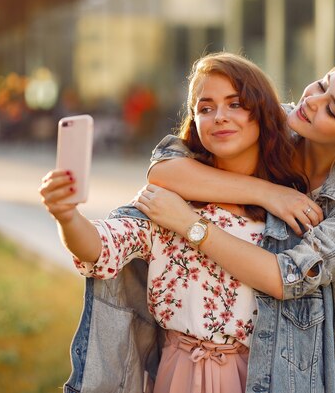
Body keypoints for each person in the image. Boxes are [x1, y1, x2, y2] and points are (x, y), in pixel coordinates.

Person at [136, 58, 335, 393]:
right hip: (279, 347)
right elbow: (164, 169)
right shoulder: (282, 121)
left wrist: (191, 224)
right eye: (322, 84)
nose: (311, 101)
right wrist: (267, 192)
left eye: (331, 110)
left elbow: (287, 276)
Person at [38, 52, 309, 393]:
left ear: (263, 111)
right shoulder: (171, 199)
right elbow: (100, 247)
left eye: (235, 104)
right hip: (178, 373)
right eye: (205, 108)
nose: (219, 117)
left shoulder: (291, 205)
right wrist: (66, 216)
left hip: (264, 375)